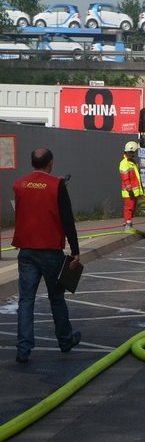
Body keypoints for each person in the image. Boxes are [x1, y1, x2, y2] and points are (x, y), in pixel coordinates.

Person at [13, 148, 82, 363]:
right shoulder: (57, 185)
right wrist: (75, 250)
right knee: (56, 299)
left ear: (32, 162)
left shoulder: (19, 185)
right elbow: (67, 219)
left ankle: (23, 349)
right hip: (51, 251)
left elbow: (31, 206)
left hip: (26, 251)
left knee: (26, 301)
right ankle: (65, 339)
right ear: (50, 163)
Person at [120, 140, 145, 230]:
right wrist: (129, 190)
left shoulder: (133, 162)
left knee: (132, 208)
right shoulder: (124, 163)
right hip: (129, 192)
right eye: (133, 153)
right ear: (129, 152)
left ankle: (128, 222)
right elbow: (125, 178)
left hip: (134, 192)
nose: (134, 154)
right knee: (129, 208)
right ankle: (128, 224)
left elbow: (137, 178)